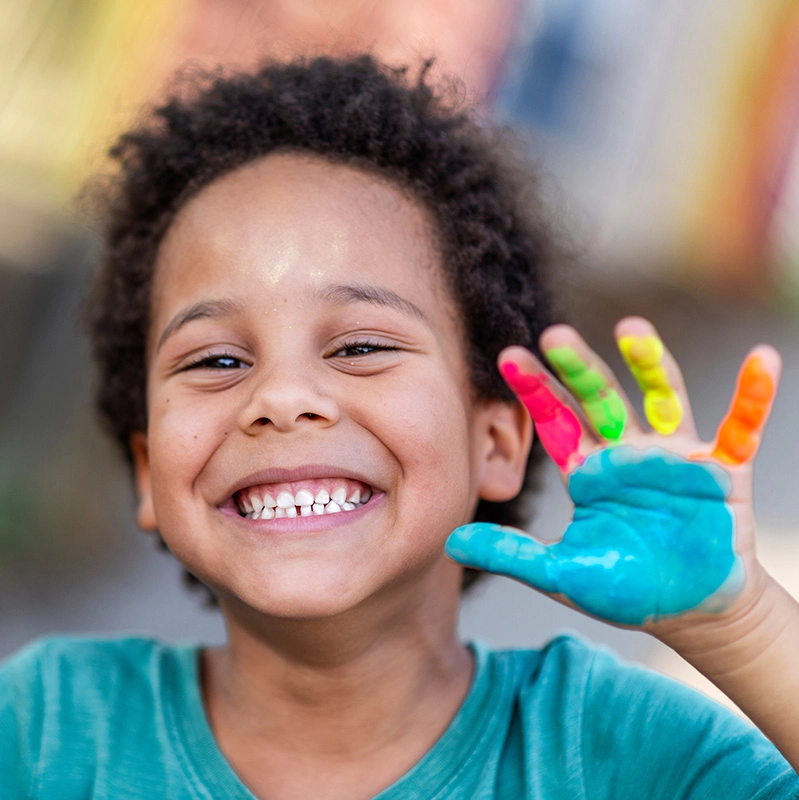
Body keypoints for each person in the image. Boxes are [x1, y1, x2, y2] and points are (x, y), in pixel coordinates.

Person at [1, 55, 797, 799]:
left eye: (360, 346)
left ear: (494, 444)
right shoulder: (49, 730)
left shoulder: (614, 751)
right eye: (215, 361)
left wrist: (740, 625)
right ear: (147, 471)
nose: (280, 397)